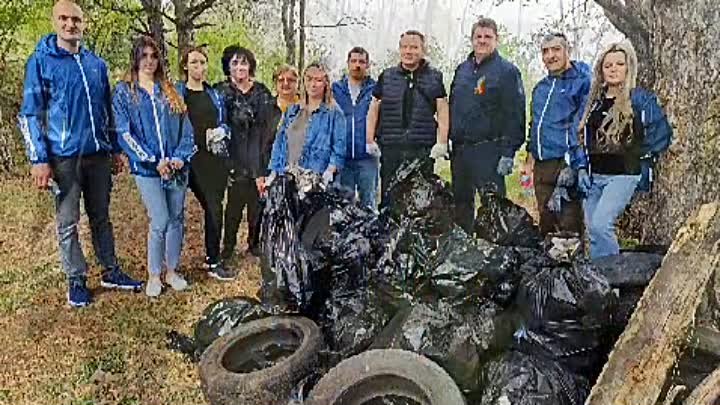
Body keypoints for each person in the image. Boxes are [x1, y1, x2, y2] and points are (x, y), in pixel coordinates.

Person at [18, 0, 142, 307]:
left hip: (98, 155)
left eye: (75, 19)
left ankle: (110, 270)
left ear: (82, 24)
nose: (70, 24)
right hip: (64, 158)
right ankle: (76, 279)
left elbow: (107, 111)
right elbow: (30, 114)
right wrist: (39, 159)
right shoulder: (40, 61)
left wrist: (114, 148)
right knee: (68, 221)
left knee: (101, 217)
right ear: (55, 22)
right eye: (64, 19)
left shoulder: (96, 64)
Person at [571, 41, 672, 259]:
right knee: (593, 231)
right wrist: (580, 168)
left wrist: (639, 154)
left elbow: (661, 133)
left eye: (619, 64)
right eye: (608, 65)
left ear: (628, 68)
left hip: (623, 176)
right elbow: (577, 136)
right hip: (594, 177)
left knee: (601, 225)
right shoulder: (593, 103)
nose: (613, 69)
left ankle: (613, 280)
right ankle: (601, 286)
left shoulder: (640, 99)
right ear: (601, 70)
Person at [112, 36, 196, 297]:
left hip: (176, 167)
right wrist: (151, 160)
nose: (149, 61)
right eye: (144, 55)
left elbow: (187, 130)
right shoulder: (125, 92)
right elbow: (124, 134)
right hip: (147, 169)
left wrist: (180, 157)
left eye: (153, 56)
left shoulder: (170, 90)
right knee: (159, 219)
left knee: (176, 218)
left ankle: (172, 271)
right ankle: (154, 275)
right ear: (136, 58)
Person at [448, 18, 526, 234]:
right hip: (461, 151)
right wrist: (446, 139)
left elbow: (515, 114)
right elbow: (452, 105)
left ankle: (494, 254)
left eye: (487, 37)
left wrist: (508, 152)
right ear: (472, 40)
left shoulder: (507, 72)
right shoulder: (462, 70)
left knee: (493, 207)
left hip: (490, 151)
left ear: (496, 39)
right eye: (478, 37)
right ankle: (463, 252)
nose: (482, 41)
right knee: (461, 205)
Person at [365, 30, 449, 199]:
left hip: (421, 149)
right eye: (404, 47)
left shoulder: (434, 77)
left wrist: (442, 142)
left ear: (422, 50)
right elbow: (374, 107)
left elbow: (442, 109)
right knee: (390, 198)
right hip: (391, 148)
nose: (408, 51)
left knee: (420, 200)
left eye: (414, 47)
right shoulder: (387, 76)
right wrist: (369, 139)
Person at [176, 46, 236, 280]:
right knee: (173, 214)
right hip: (187, 159)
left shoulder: (214, 94)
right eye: (194, 63)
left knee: (214, 208)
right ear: (185, 66)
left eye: (202, 62)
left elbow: (226, 123)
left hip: (213, 160)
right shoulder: (178, 93)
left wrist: (222, 131)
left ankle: (213, 260)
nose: (199, 67)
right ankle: (170, 266)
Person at [522, 33, 590, 236]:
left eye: (556, 50)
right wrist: (529, 161)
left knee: (568, 225)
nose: (550, 55)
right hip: (542, 165)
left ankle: (571, 266)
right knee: (546, 222)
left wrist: (578, 166)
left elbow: (583, 127)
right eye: (545, 51)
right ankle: (549, 267)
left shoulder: (582, 82)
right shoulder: (540, 88)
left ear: (567, 51)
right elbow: (535, 126)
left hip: (565, 163)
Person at [216, 46, 280, 259]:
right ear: (228, 67)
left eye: (244, 63)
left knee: (257, 205)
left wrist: (263, 164)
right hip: (232, 157)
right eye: (235, 63)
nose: (240, 67)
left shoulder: (261, 92)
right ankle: (228, 246)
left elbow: (269, 127)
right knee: (233, 206)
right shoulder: (221, 92)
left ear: (250, 65)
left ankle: (254, 244)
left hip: (257, 154)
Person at [269, 62, 346, 181]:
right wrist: (273, 172)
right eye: (309, 79)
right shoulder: (292, 111)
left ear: (326, 83)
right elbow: (279, 143)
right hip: (287, 176)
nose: (313, 84)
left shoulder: (335, 114)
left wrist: (330, 171)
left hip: (317, 179)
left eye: (318, 80)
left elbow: (339, 148)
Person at [332, 47, 378, 208]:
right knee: (343, 204)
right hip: (342, 158)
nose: (357, 65)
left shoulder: (376, 89)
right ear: (348, 63)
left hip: (367, 158)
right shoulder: (335, 89)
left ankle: (371, 233)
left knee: (369, 203)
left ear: (368, 65)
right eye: (353, 61)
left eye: (361, 62)